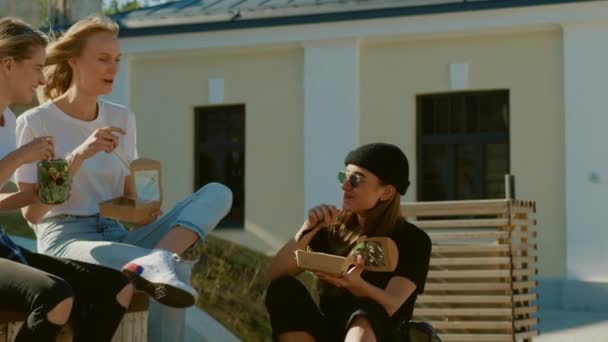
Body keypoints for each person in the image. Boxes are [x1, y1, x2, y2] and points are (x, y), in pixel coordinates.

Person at [15, 16, 233, 342]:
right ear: (73, 60)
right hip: (64, 239)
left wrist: (143, 205)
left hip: (115, 233)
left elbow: (129, 196)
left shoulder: (122, 118)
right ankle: (162, 261)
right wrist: (80, 155)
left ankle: (160, 256)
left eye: (117, 60)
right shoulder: (38, 122)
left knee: (218, 191)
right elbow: (32, 215)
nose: (112, 68)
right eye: (103, 59)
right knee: (175, 269)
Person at [0, 16, 133, 342]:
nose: (41, 80)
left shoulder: (7, 119)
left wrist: (53, 185)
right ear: (8, 65)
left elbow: (14, 201)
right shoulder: (25, 127)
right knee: (55, 296)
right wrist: (22, 156)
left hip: (3, 243)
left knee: (116, 286)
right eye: (35, 68)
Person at [265, 143, 432, 342]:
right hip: (331, 331)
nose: (345, 186)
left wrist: (356, 285)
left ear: (386, 192)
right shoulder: (332, 229)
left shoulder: (412, 240)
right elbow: (275, 275)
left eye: (356, 180)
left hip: (383, 333)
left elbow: (391, 304)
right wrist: (307, 228)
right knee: (283, 290)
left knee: (366, 311)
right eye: (344, 176)